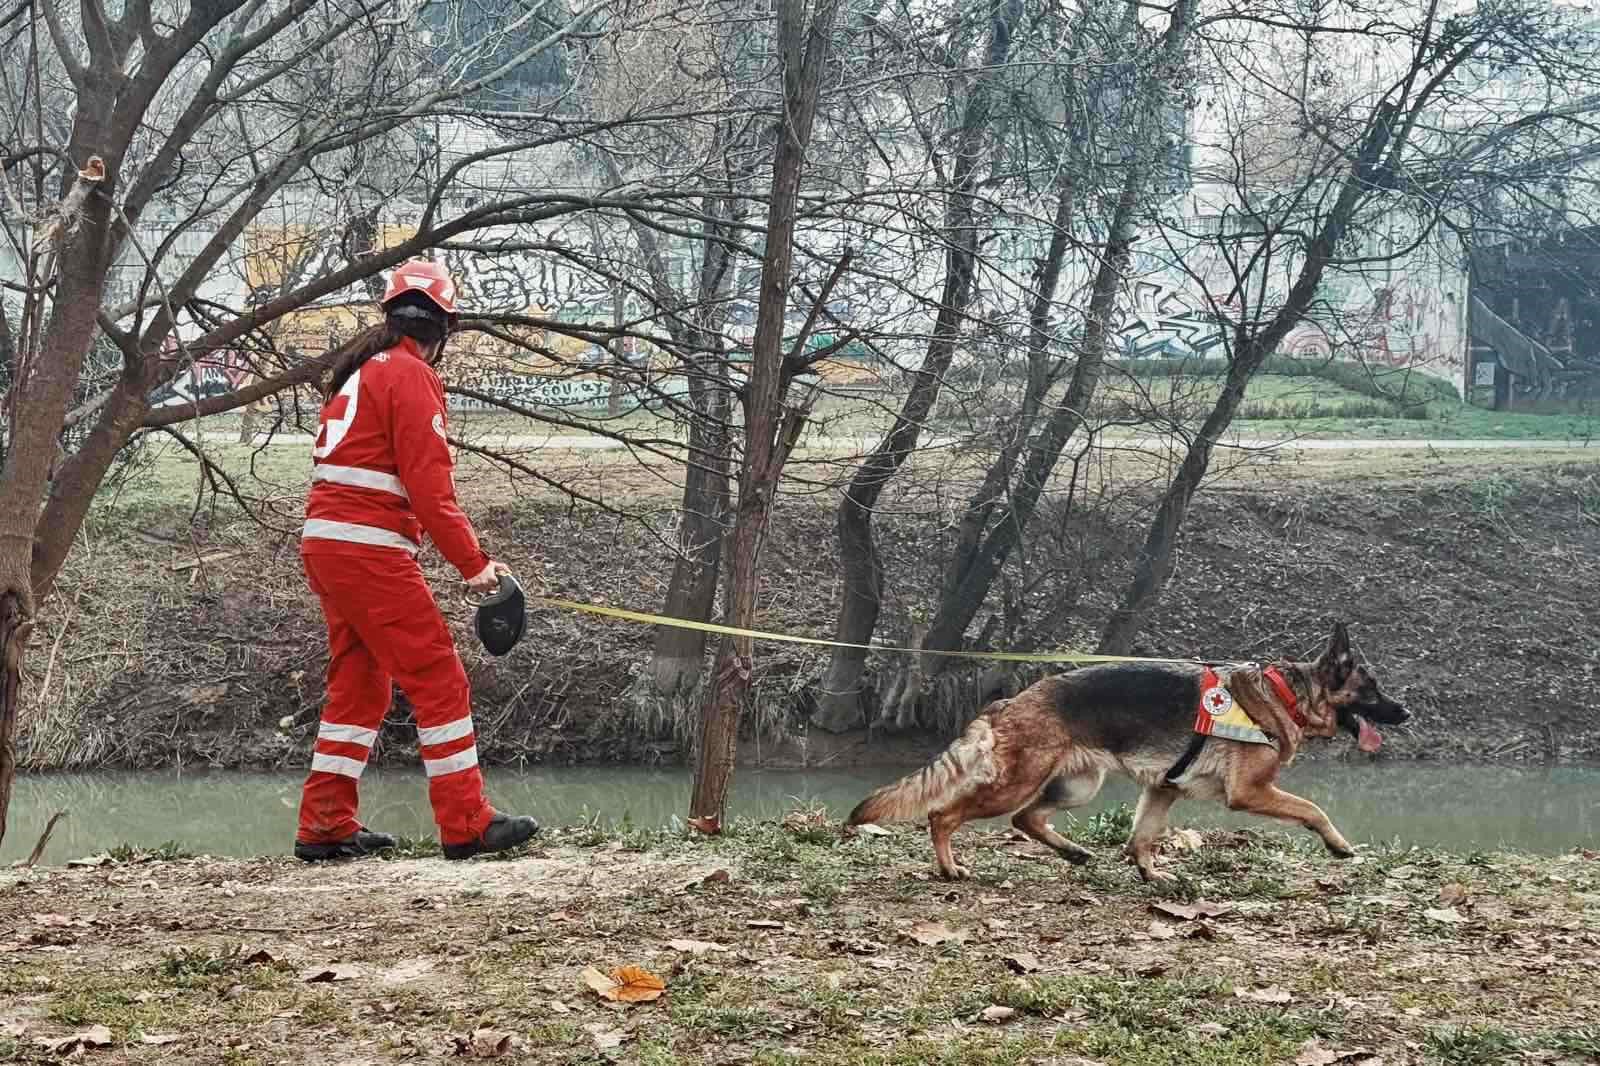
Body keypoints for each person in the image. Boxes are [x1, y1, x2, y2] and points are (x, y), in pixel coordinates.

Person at [293, 258, 538, 862]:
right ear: (444, 327)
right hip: (368, 550)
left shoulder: (362, 372)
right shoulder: (409, 375)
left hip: (327, 545)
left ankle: (325, 823)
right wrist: (476, 567)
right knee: (438, 678)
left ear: (392, 315)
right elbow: (429, 487)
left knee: (359, 685)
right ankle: (466, 822)